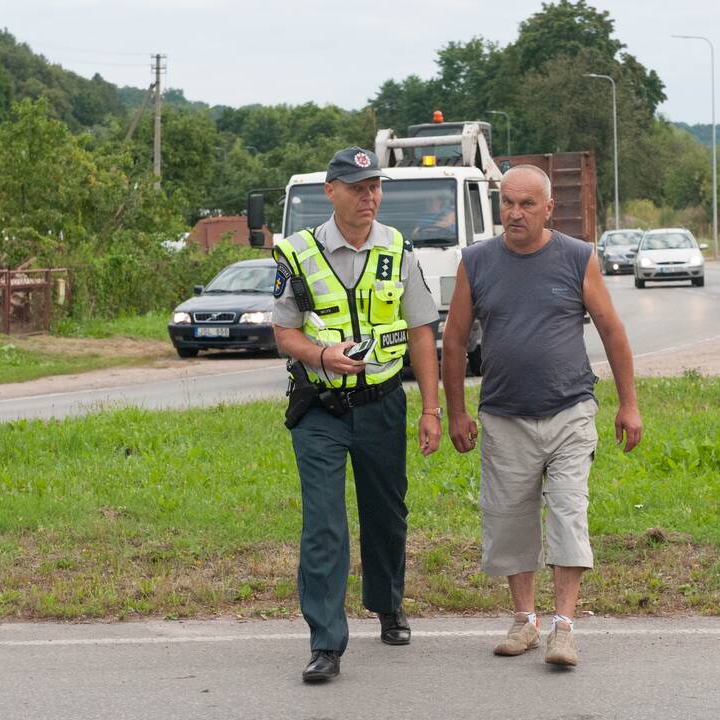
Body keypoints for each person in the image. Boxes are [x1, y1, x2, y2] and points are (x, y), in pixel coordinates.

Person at [441, 164, 643, 668]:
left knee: (568, 513)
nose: (514, 213)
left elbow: (612, 331)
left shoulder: (577, 258)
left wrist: (629, 403)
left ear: (549, 208)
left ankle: (565, 628)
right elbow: (455, 339)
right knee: (509, 520)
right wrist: (455, 413)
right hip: (504, 416)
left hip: (570, 410)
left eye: (527, 204)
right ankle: (524, 621)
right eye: (507, 202)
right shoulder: (477, 262)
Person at [271, 147, 443, 683]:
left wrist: (431, 409)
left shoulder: (398, 248)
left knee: (386, 515)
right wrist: (321, 355)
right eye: (358, 187)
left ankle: (389, 605)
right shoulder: (297, 253)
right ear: (332, 191)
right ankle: (326, 642)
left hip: (383, 403)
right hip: (320, 407)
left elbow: (420, 330)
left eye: (375, 187)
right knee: (324, 525)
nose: (370, 196)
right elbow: (283, 330)